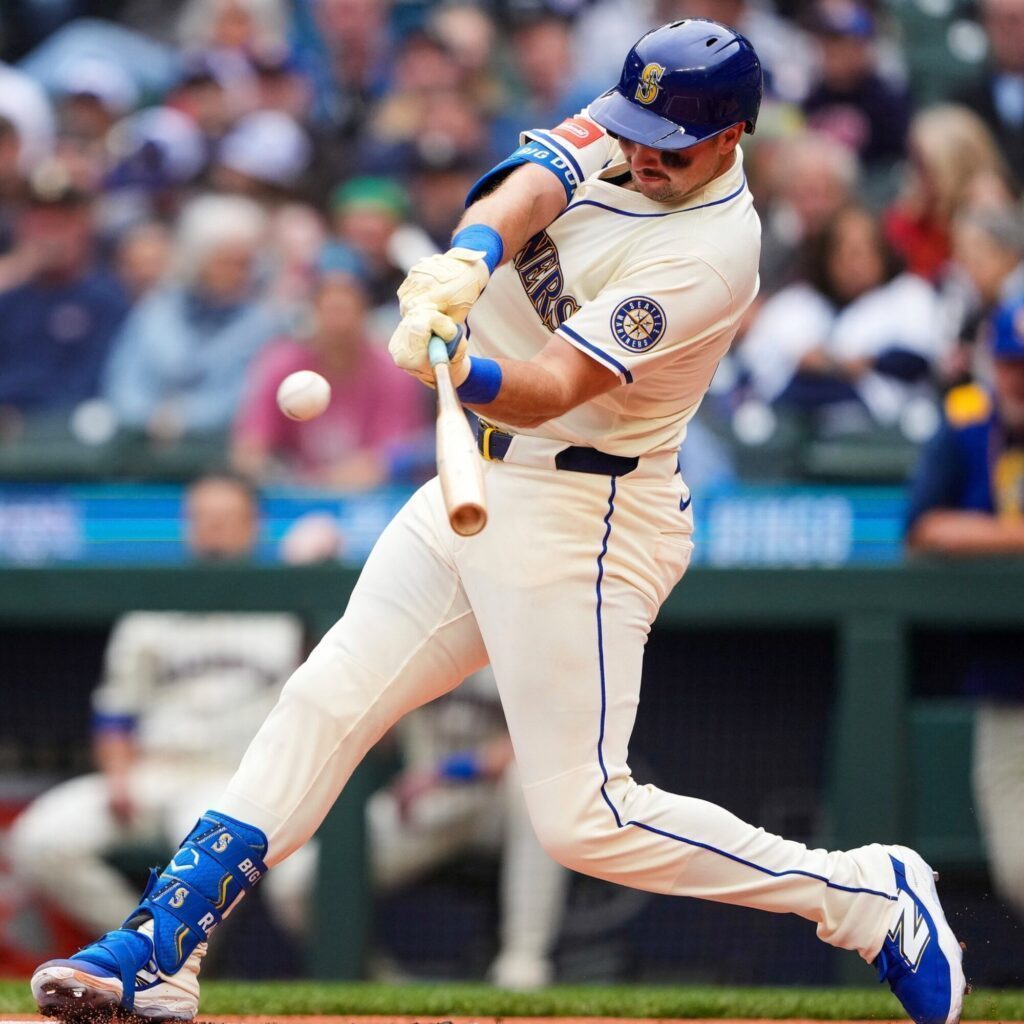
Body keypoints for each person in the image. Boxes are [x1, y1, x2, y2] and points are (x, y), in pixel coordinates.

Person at [31, 20, 966, 1024]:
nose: (644, 155)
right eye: (635, 129)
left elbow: (553, 385)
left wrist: (460, 362)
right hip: (478, 483)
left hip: (588, 505)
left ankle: (863, 895)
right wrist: (471, 257)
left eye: (672, 144)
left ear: (733, 135)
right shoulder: (634, 128)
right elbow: (529, 181)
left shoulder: (709, 254)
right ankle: (161, 948)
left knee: (584, 817)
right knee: (325, 698)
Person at [9, 475, 312, 952]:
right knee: (37, 839)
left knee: (204, 857)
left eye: (225, 520)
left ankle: (169, 957)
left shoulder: (291, 607)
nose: (212, 531)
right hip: (154, 770)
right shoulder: (151, 611)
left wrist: (310, 567)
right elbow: (115, 714)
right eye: (202, 519)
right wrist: (119, 776)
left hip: (231, 782)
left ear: (253, 527)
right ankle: (144, 947)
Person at [905, 297, 1024, 925]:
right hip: (1004, 686)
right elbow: (922, 527)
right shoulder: (966, 426)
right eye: (1010, 364)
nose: (1019, 380)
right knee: (1018, 870)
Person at [369, 668, 568, 990]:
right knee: (295, 883)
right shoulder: (409, 627)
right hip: (429, 806)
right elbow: (375, 733)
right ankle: (374, 980)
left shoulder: (527, 631)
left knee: (533, 787)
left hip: (498, 806)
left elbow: (543, 742)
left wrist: (445, 770)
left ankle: (523, 962)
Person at [231, 241, 429, 489]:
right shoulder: (279, 364)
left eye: (347, 306)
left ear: (364, 308)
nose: (338, 320)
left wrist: (328, 480)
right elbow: (250, 449)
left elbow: (392, 456)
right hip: (292, 498)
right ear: (313, 308)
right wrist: (274, 474)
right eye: (329, 306)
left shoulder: (393, 370)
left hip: (371, 502)